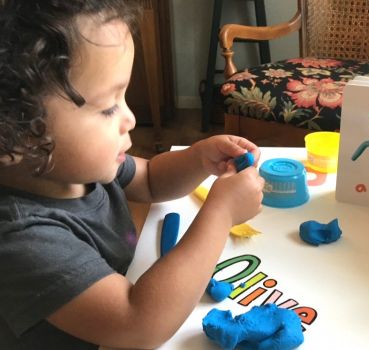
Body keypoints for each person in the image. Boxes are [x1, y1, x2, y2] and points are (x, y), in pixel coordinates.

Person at [0, 1, 265, 348]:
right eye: (108, 107)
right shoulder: (22, 239)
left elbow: (151, 179)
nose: (130, 118)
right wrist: (221, 213)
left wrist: (198, 158)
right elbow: (138, 323)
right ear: (16, 136)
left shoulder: (77, 169)